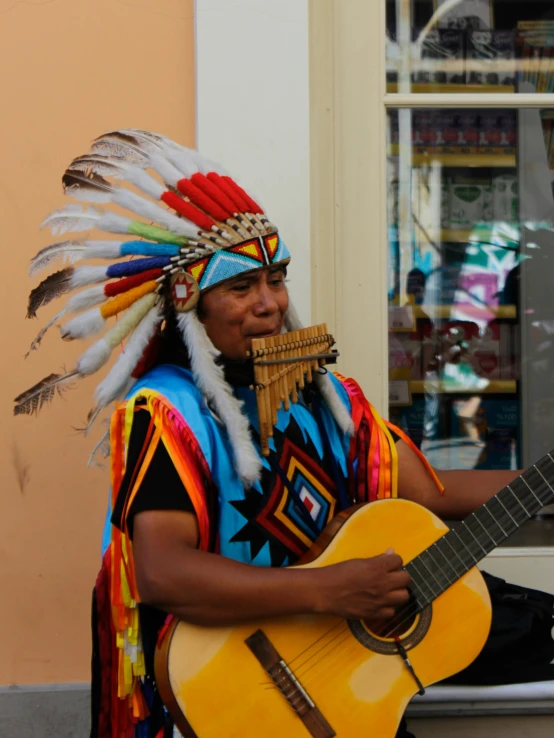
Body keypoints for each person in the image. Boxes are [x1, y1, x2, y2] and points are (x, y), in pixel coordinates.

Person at [16, 130, 523, 738]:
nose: (270, 305)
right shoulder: (166, 412)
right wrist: (329, 587)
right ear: (190, 306)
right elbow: (163, 574)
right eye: (240, 287)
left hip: (331, 669)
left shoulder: (323, 397)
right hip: (225, 686)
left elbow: (430, 496)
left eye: (276, 279)